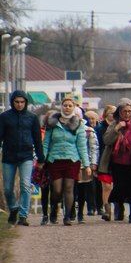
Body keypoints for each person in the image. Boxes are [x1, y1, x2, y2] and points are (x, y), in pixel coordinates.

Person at [40, 97, 90, 226]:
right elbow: (46, 143)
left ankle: (67, 216)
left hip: (72, 160)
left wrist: (87, 164)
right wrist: (42, 159)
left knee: (69, 188)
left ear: (73, 108)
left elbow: (82, 146)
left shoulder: (78, 124)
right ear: (61, 107)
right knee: (56, 190)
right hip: (54, 160)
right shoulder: (53, 123)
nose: (67, 108)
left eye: (70, 106)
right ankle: (54, 209)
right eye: (65, 105)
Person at [1, 90, 44, 226]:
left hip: (26, 156)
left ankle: (23, 215)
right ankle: (14, 208)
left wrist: (41, 158)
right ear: (12, 102)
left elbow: (37, 140)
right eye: (17, 102)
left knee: (25, 185)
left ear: (26, 102)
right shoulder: (4, 117)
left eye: (22, 102)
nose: (19, 104)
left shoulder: (32, 118)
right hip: (9, 156)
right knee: (8, 188)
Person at [74, 106, 100, 223]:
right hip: (69, 162)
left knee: (82, 189)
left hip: (84, 163)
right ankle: (70, 211)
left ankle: (82, 212)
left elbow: (94, 147)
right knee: (69, 188)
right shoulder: (62, 129)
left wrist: (93, 163)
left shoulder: (88, 130)